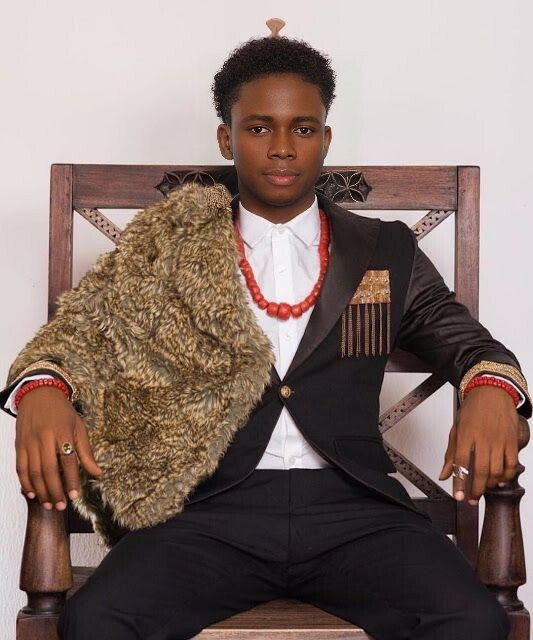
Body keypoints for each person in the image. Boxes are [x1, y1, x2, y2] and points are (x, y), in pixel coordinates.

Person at [1, 19, 530, 640]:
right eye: (258, 128)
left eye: (302, 129)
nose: (282, 147)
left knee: (471, 621)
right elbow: (72, 338)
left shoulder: (385, 249)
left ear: (325, 139)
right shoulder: (171, 247)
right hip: (209, 511)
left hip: (356, 512)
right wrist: (42, 391)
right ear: (226, 138)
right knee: (97, 620)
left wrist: (490, 387)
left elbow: (469, 344)